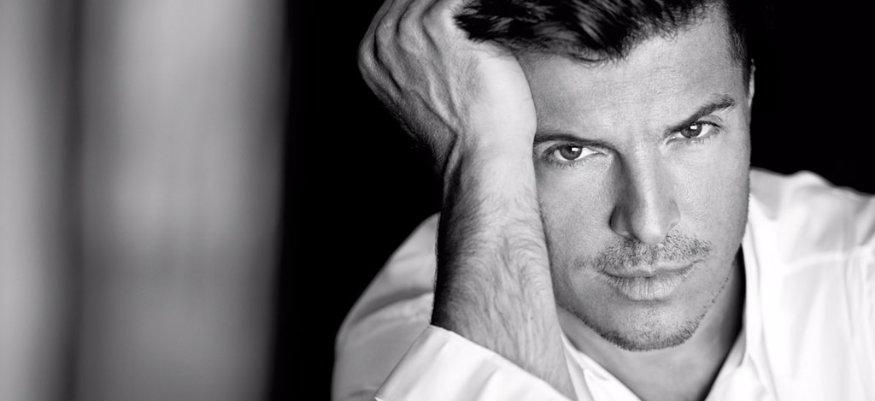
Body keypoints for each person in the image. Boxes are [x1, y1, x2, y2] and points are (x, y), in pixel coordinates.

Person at [332, 0, 875, 400]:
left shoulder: (859, 271)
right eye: (571, 152)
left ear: (749, 93)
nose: (649, 222)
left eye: (692, 131)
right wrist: (478, 149)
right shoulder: (411, 343)